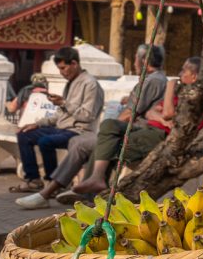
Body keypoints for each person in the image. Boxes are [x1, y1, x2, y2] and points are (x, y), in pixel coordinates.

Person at [17, 44, 167, 208]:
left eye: (136, 59)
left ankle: (51, 192)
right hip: (117, 129)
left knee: (80, 143)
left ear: (143, 61)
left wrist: (109, 128)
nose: (135, 63)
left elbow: (127, 114)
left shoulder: (151, 81)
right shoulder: (153, 80)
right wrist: (38, 123)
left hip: (114, 130)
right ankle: (75, 187)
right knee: (36, 136)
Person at [56, 56, 203, 203]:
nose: (180, 74)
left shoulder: (197, 97)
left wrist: (170, 88)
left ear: (194, 76)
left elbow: (167, 113)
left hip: (161, 136)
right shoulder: (181, 92)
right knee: (109, 125)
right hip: (149, 127)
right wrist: (161, 118)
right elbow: (150, 112)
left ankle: (93, 189)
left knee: (108, 144)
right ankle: (96, 179)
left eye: (184, 70)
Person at [8, 47, 103, 194]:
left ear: (74, 64)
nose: (62, 72)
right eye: (59, 69)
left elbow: (87, 116)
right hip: (62, 128)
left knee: (46, 142)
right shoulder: (71, 82)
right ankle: (33, 180)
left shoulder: (90, 84)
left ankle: (55, 184)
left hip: (80, 131)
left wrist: (64, 103)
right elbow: (59, 115)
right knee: (24, 134)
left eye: (63, 68)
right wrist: (37, 124)